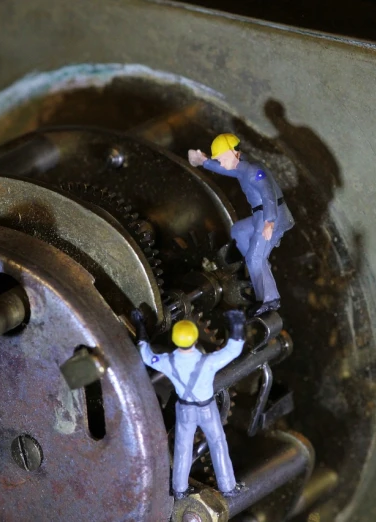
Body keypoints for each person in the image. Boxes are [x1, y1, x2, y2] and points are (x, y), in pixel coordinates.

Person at [130, 308, 247, 499]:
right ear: (195, 339)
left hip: (185, 410)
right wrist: (237, 326)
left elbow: (145, 355)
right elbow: (233, 350)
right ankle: (228, 487)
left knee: (182, 448)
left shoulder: (168, 362)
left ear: (175, 340)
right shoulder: (208, 362)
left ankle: (179, 490)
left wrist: (140, 325)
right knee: (218, 443)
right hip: (207, 408)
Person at [189, 134, 294, 315]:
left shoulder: (254, 170)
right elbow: (228, 170)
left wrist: (269, 221)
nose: (221, 163)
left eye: (221, 158)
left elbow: (267, 192)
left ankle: (269, 299)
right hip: (259, 215)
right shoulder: (241, 163)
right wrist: (204, 161)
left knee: (255, 258)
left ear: (232, 151)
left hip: (272, 216)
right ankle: (258, 265)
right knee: (238, 231)